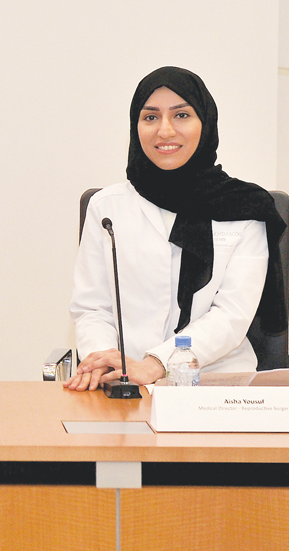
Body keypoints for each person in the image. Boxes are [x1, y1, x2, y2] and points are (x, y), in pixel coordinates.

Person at [66, 66, 287, 391]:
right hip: (123, 384)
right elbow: (93, 307)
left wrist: (156, 364)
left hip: (217, 385)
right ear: (135, 125)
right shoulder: (107, 207)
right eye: (150, 117)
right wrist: (104, 359)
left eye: (181, 115)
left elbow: (232, 315)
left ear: (205, 123)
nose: (165, 131)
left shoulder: (245, 207)